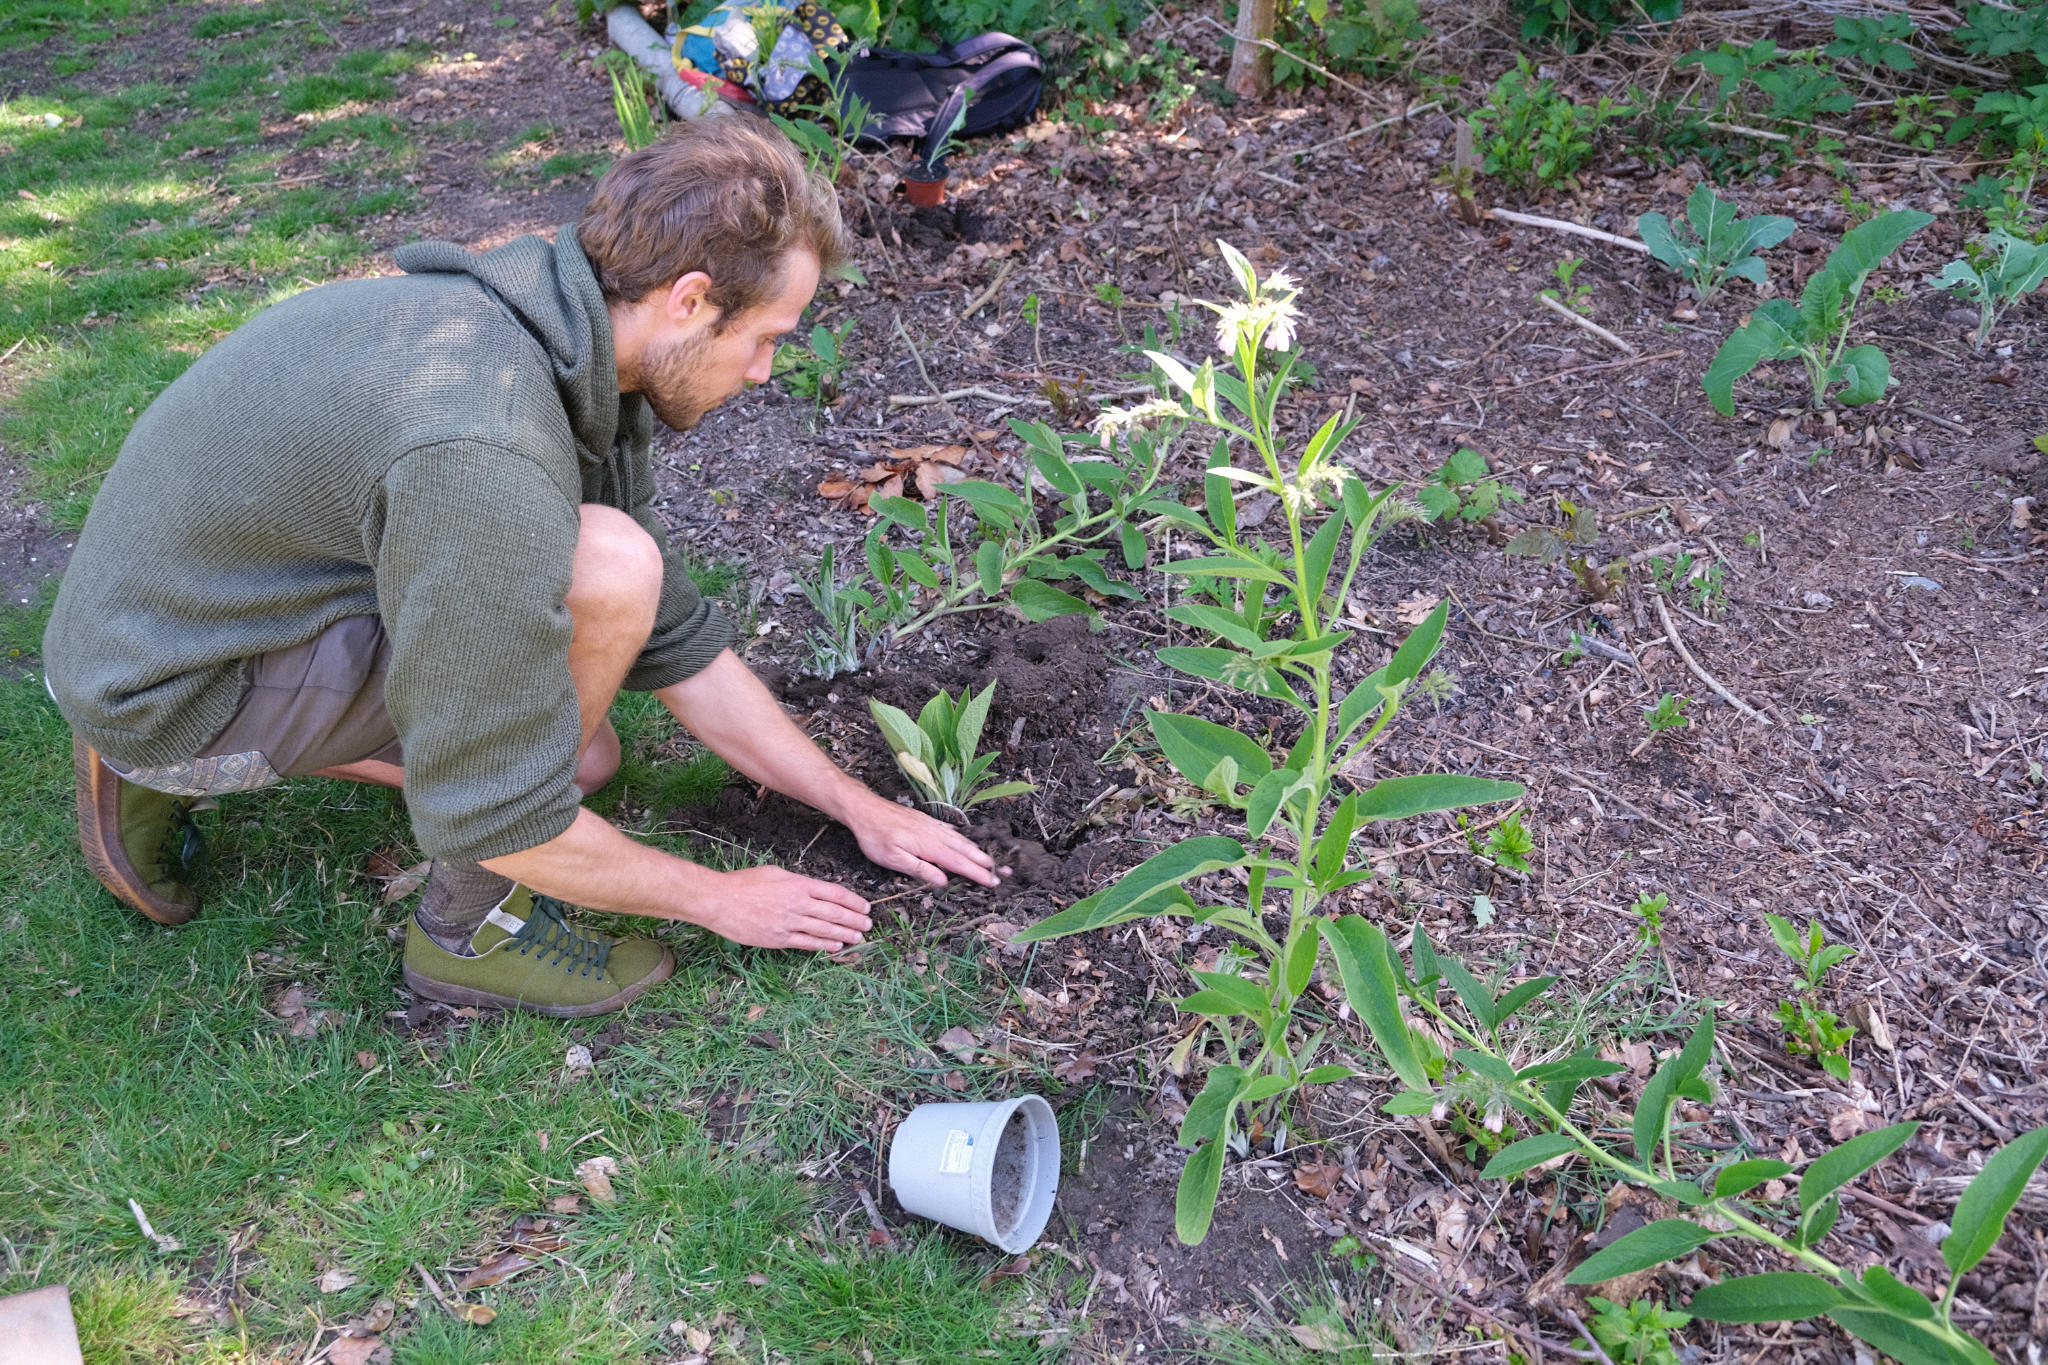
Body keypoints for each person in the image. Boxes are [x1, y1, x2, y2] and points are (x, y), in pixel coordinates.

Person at [44, 116, 1003, 1018]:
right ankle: (467, 934)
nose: (762, 372)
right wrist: (721, 897)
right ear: (690, 300)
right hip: (166, 686)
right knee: (596, 605)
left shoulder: (552, 326)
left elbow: (670, 636)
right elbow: (498, 816)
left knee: (587, 757)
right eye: (766, 339)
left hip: (172, 618)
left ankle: (169, 740)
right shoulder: (484, 449)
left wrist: (854, 805)